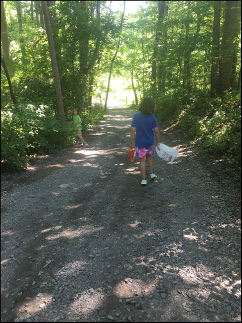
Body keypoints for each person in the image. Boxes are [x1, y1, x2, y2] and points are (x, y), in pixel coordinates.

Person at [129, 97, 159, 185]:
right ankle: (152, 173)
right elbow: (156, 131)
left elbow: (133, 130)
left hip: (140, 142)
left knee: (142, 160)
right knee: (149, 157)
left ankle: (144, 179)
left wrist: (131, 143)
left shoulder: (136, 116)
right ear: (152, 106)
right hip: (150, 142)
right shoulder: (152, 117)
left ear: (141, 105)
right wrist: (157, 141)